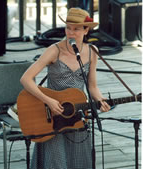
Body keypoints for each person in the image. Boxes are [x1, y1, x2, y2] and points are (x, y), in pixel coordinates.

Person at [20, 8, 111, 169]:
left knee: (78, 158)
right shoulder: (54, 50)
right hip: (53, 115)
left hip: (77, 113)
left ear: (86, 30)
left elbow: (92, 86)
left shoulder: (92, 52)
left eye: (76, 29)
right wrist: (48, 101)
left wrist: (101, 100)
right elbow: (26, 79)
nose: (70, 32)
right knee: (56, 161)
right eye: (68, 28)